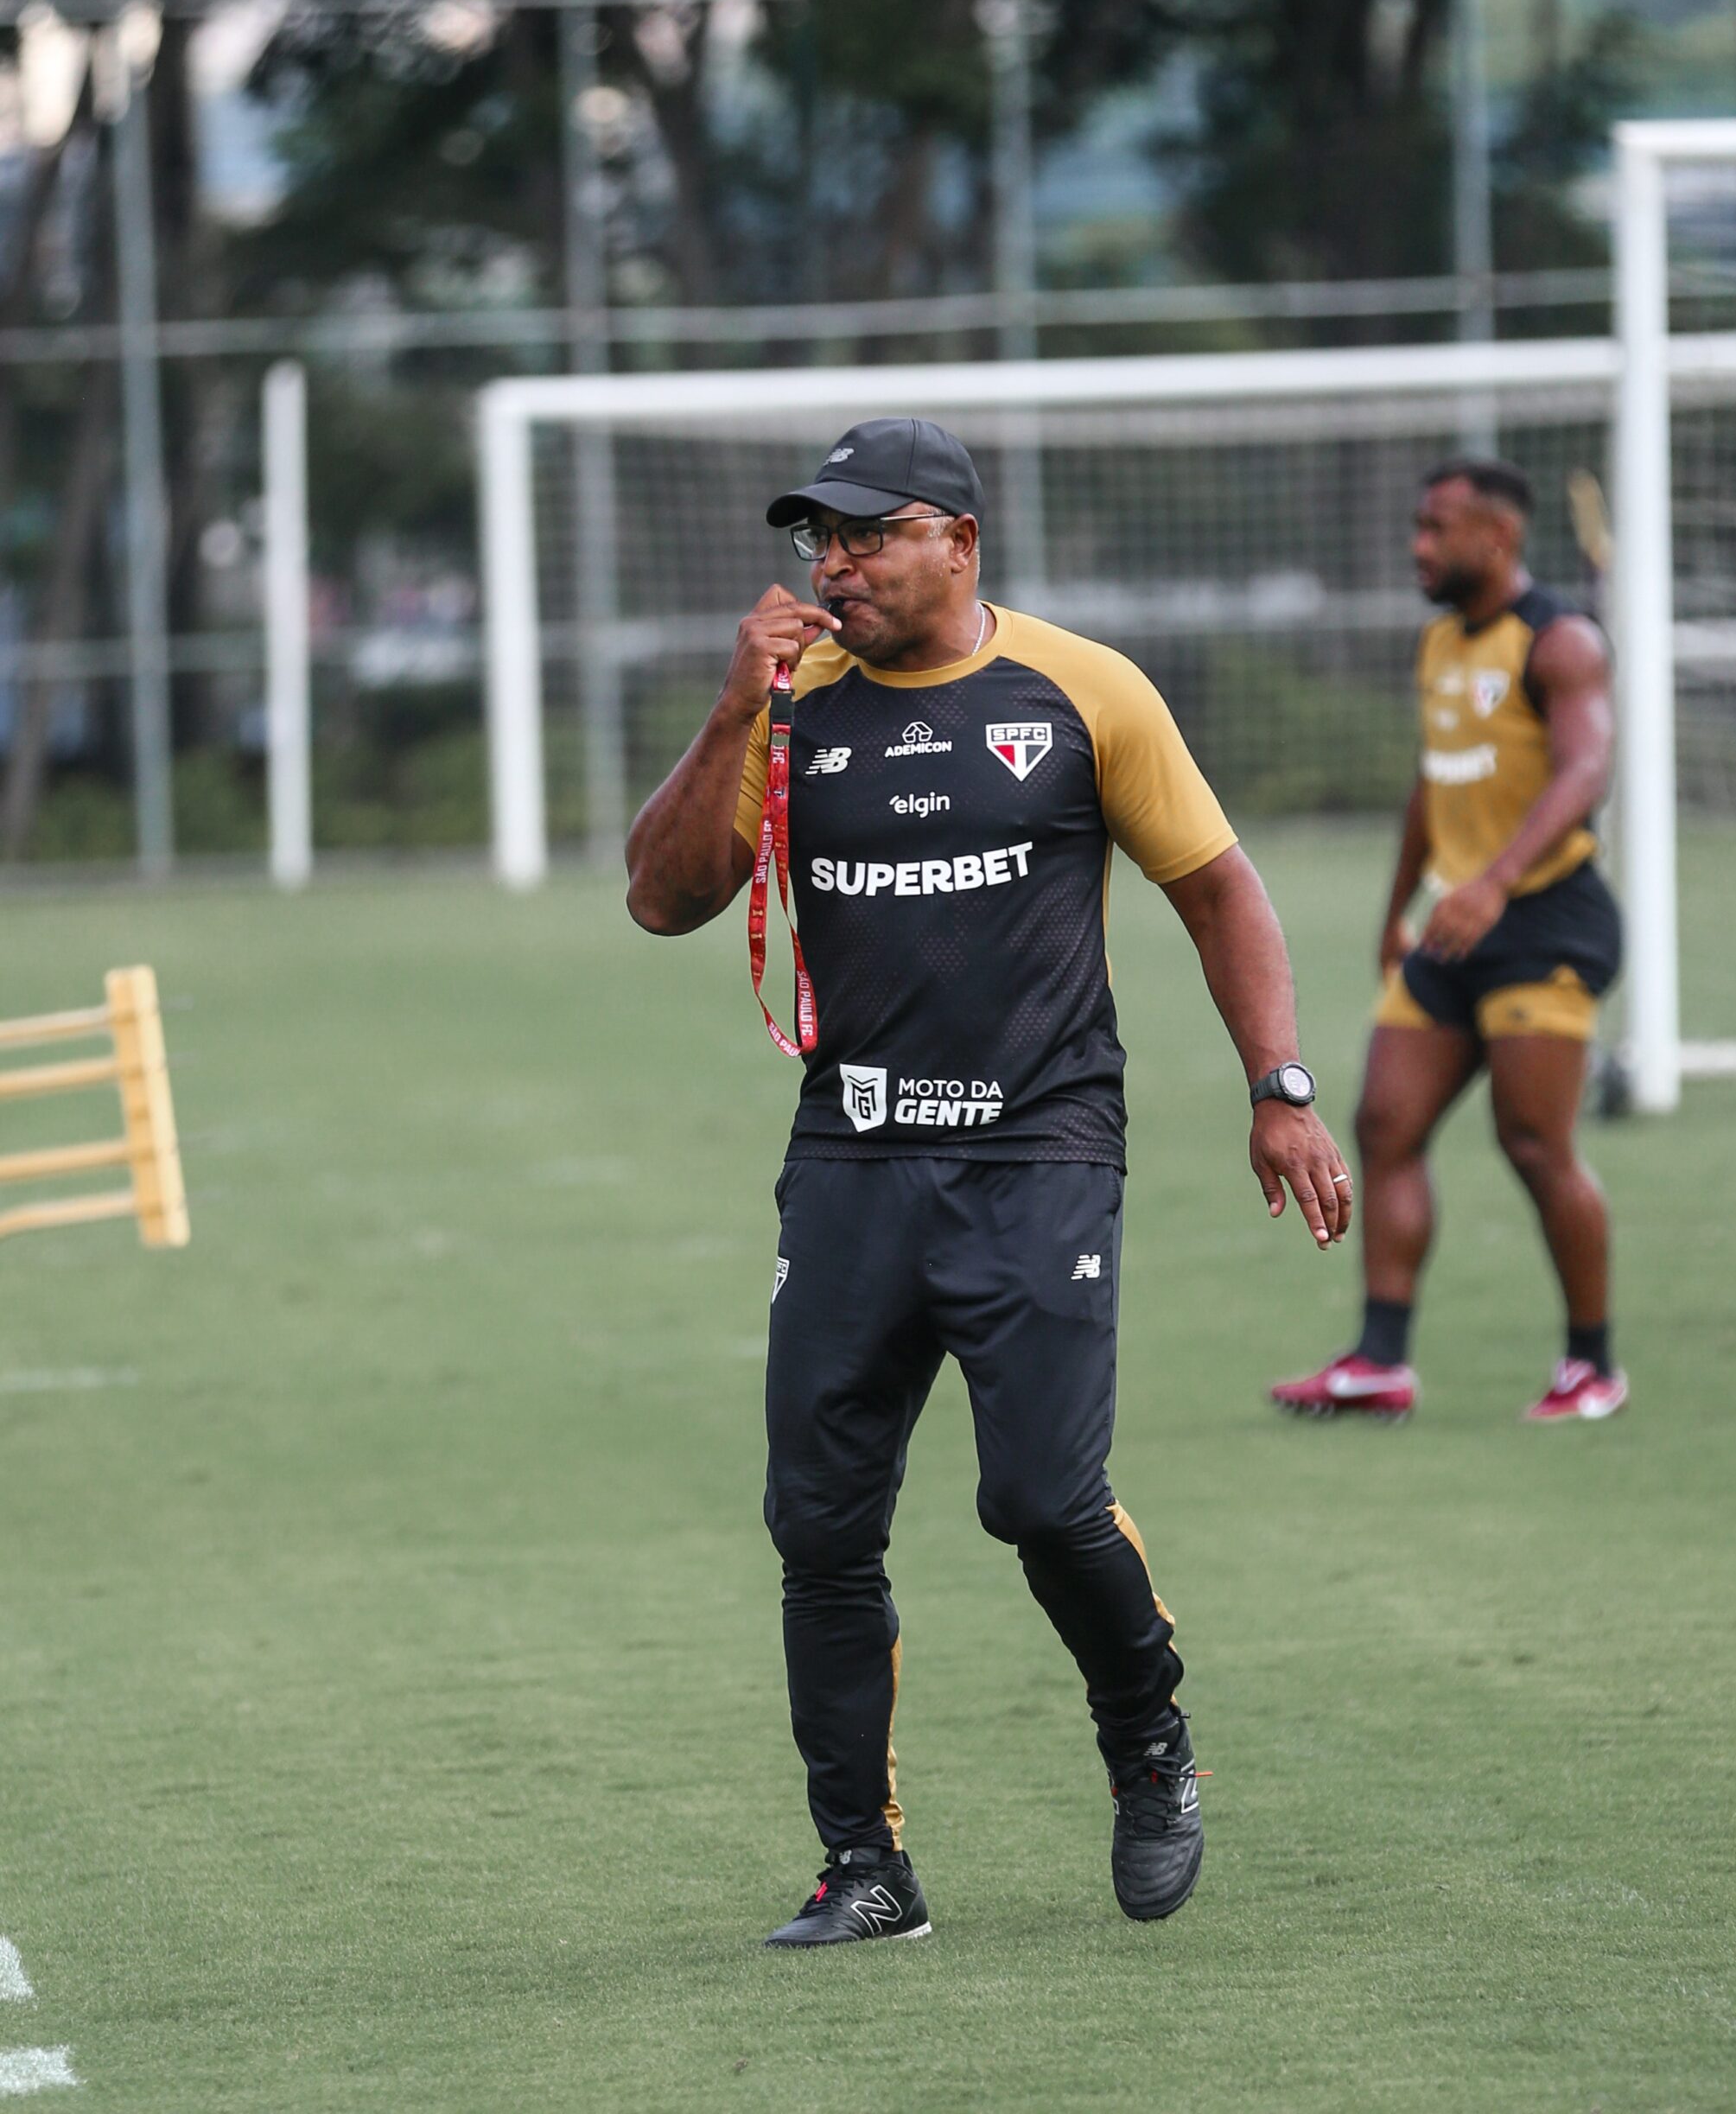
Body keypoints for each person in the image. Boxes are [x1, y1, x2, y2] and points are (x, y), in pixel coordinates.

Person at [626, 417, 1351, 1946]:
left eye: (867, 534)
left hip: (1037, 1150)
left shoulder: (1083, 693)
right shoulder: (791, 703)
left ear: (956, 538)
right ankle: (863, 1865)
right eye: (816, 540)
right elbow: (664, 899)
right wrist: (725, 713)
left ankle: (1147, 1747)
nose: (834, 565)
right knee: (816, 1522)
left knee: (1036, 1497)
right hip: (849, 1157)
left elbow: (1217, 888)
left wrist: (1276, 1088)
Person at [1273, 456, 1627, 1427]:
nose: (1416, 546)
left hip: (1544, 920)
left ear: (1496, 537)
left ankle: (1591, 1365)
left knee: (1530, 1142)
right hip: (1452, 924)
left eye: (1436, 529)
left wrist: (1495, 881)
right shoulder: (1437, 643)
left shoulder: (1557, 642)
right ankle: (1379, 1362)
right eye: (1415, 527)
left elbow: (1586, 765)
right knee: (1385, 1123)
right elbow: (1434, 785)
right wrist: (1398, 903)